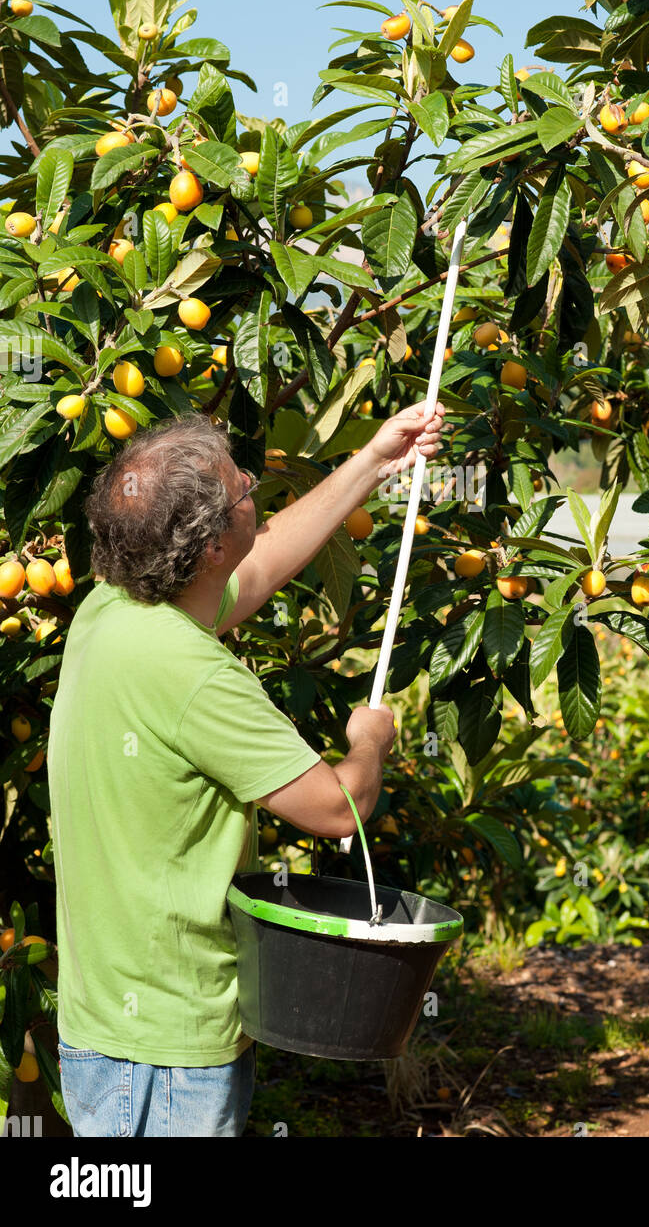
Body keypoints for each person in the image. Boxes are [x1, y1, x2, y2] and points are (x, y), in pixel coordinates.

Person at [48, 399, 444, 1137]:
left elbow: (256, 566)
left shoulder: (110, 611)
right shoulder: (197, 677)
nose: (254, 488)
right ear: (206, 548)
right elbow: (338, 809)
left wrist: (372, 460)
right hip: (171, 1045)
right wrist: (369, 741)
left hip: (103, 1022)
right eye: (242, 490)